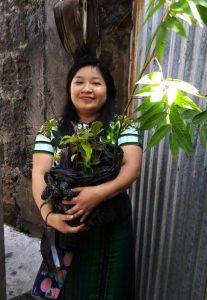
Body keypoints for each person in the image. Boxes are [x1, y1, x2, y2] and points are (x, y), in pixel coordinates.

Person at [32, 56, 143, 300]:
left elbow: (132, 167)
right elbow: (40, 173)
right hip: (68, 224)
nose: (87, 89)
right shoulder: (51, 129)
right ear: (70, 87)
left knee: (113, 288)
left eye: (96, 83)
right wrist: (49, 215)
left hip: (113, 224)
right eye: (79, 82)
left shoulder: (123, 126)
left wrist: (97, 194)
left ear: (108, 90)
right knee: (72, 290)